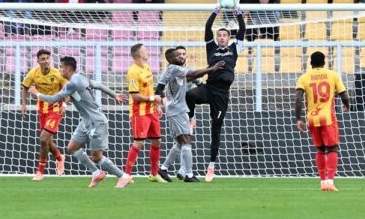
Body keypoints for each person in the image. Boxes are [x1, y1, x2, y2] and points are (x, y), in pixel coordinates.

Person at [28, 56, 131, 188]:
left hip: (96, 121)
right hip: (86, 121)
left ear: (68, 68)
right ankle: (96, 173)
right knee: (72, 148)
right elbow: (97, 85)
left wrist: (36, 93)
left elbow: (53, 99)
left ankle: (123, 176)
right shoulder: (81, 77)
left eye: (61, 67)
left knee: (97, 157)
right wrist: (114, 94)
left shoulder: (72, 84)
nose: (59, 69)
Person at [186, 5, 246, 182]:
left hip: (222, 95)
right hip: (209, 88)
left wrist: (238, 13)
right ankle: (192, 119)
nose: (221, 37)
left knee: (216, 129)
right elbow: (207, 27)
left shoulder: (235, 48)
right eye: (219, 35)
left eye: (224, 35)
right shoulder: (211, 48)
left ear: (229, 37)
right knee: (189, 95)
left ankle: (211, 167)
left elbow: (242, 29)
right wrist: (215, 11)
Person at [155, 47, 225, 183]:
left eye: (182, 54)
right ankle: (188, 174)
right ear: (171, 59)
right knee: (186, 140)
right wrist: (212, 68)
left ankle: (164, 168)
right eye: (177, 55)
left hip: (181, 109)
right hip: (177, 110)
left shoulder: (177, 70)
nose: (181, 57)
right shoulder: (174, 68)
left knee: (180, 143)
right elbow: (193, 74)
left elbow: (194, 78)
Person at [294, 51, 350, 192]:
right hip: (328, 118)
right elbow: (344, 94)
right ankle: (330, 182)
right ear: (324, 62)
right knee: (332, 148)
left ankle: (323, 182)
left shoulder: (303, 78)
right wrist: (347, 105)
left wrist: (298, 118)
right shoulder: (333, 75)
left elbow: (298, 98)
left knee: (320, 149)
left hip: (312, 118)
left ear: (310, 63)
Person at [20, 49, 67, 181]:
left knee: (42, 139)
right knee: (47, 141)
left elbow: (68, 90)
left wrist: (64, 105)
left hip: (56, 110)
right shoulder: (33, 73)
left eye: (47, 58)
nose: (46, 61)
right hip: (41, 110)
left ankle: (40, 172)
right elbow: (25, 86)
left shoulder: (57, 74)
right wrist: (23, 104)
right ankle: (59, 158)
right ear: (38, 61)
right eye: (43, 59)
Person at [123, 44, 165, 183]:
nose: (148, 52)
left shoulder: (147, 67)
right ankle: (127, 175)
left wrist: (156, 104)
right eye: (145, 51)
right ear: (140, 54)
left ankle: (154, 174)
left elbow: (150, 89)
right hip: (139, 112)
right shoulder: (132, 72)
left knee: (157, 140)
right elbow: (135, 96)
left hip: (151, 111)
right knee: (138, 143)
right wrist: (154, 99)